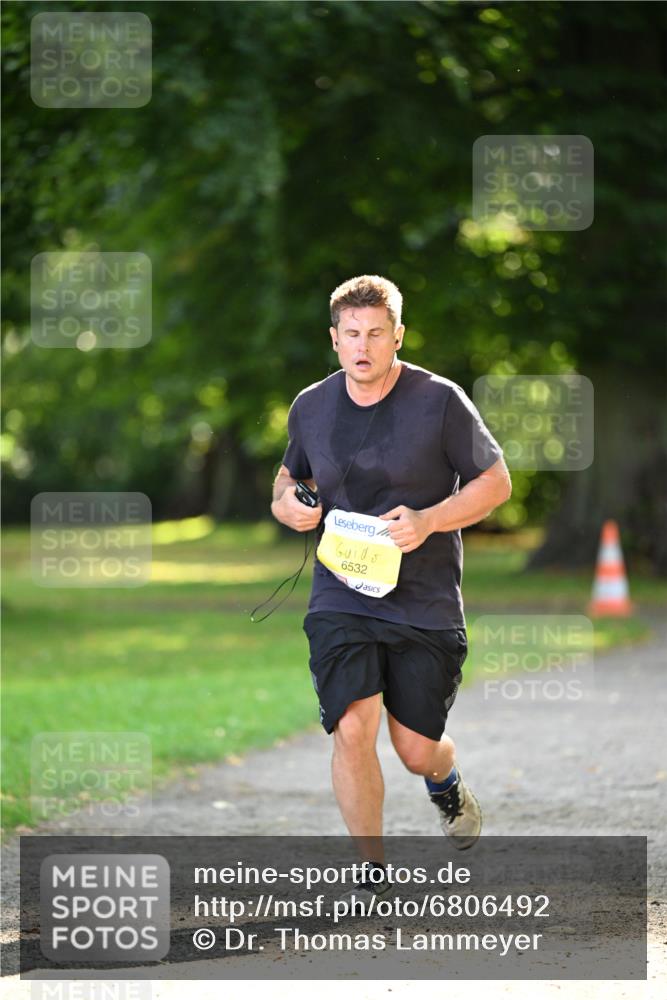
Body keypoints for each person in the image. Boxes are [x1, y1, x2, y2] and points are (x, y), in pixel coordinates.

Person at [271, 274, 511, 901]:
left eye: (376, 333)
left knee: (414, 750)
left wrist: (429, 520)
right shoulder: (311, 406)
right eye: (352, 334)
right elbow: (290, 479)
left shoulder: (440, 401)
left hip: (424, 599)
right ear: (334, 338)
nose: (363, 346)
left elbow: (496, 483)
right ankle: (371, 873)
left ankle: (445, 781)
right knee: (352, 725)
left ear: (398, 336)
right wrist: (288, 505)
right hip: (340, 592)